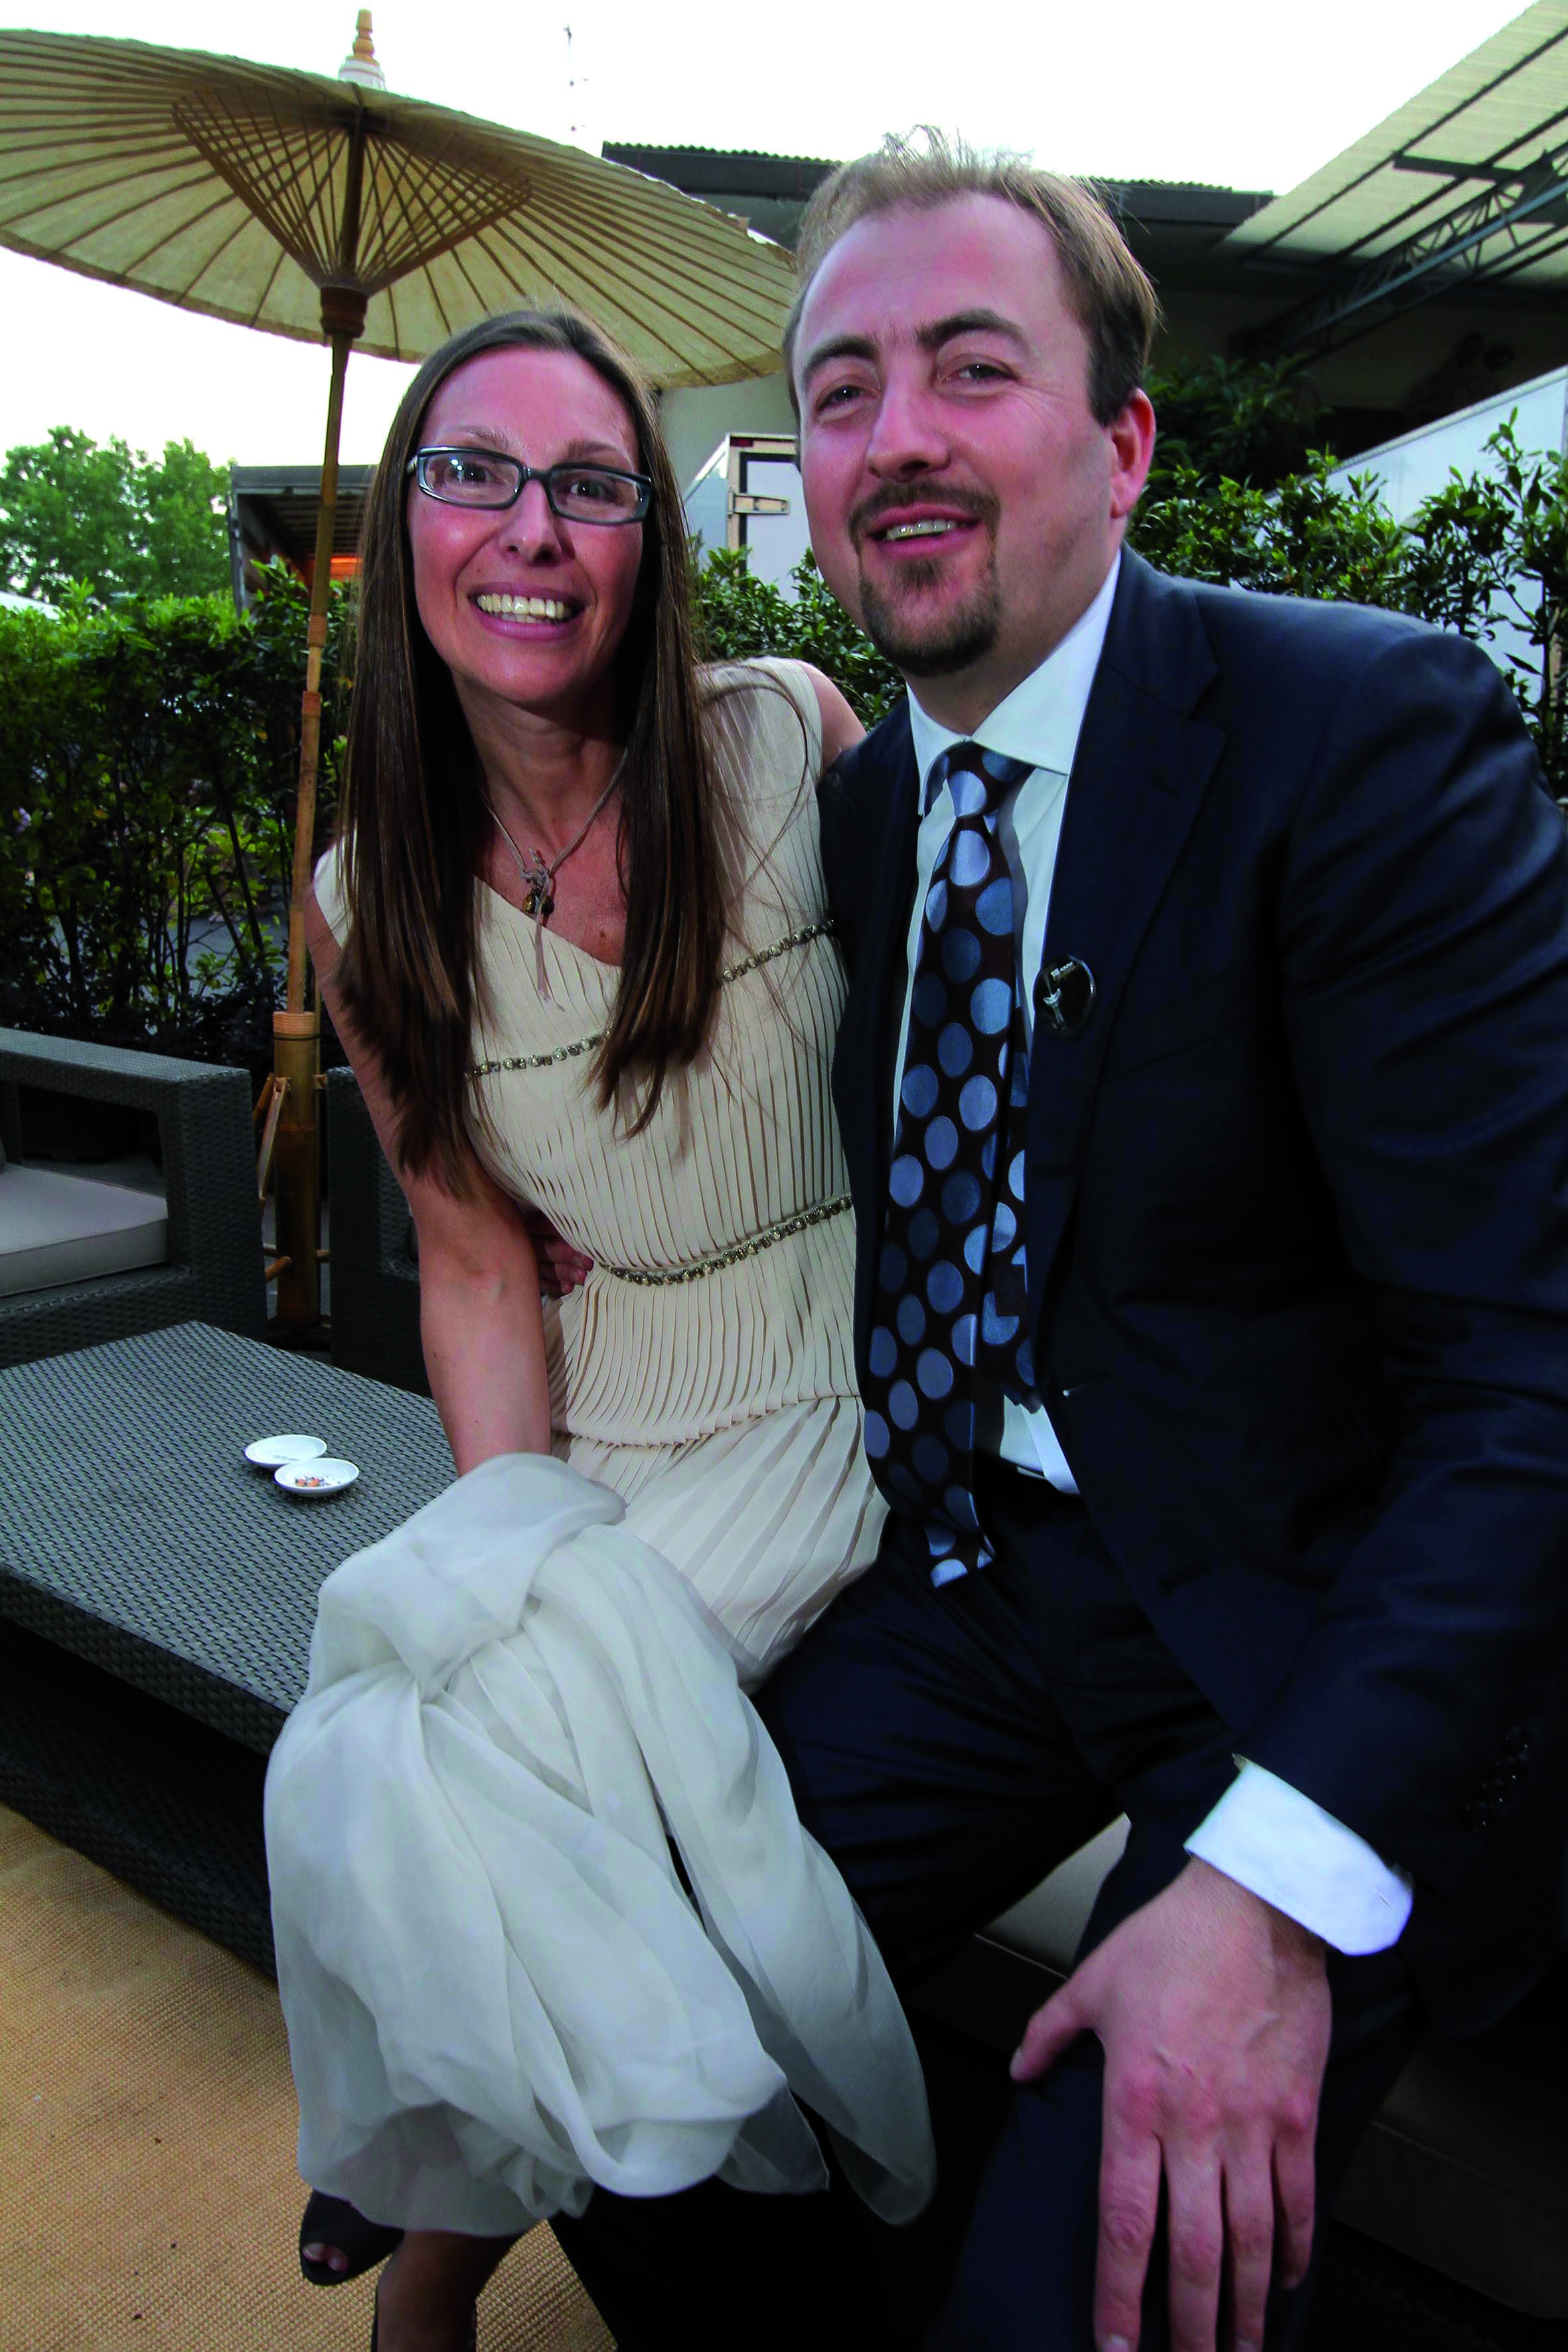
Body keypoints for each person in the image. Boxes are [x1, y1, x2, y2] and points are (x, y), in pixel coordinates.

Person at [548, 139, 1568, 2352]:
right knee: (590, 2018)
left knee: (1076, 2290)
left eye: (968, 367)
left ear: (1122, 439)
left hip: (1311, 1628)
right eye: (837, 391)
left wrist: (1279, 1889)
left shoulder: (1360, 737)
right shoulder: (861, 814)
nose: (894, 434)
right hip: (977, 1591)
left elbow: (1533, 1375)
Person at [262, 306, 936, 2352]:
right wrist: (518, 1554)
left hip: (838, 1376)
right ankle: (442, 2239)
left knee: (530, 1780)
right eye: (475, 472)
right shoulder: (368, 897)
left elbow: (956, 1051)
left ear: (649, 536)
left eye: (588, 481)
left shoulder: (784, 734)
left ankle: (426, 2249)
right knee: (399, 1715)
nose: (530, 526)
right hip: (608, 1394)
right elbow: (475, 1259)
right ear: (404, 531)